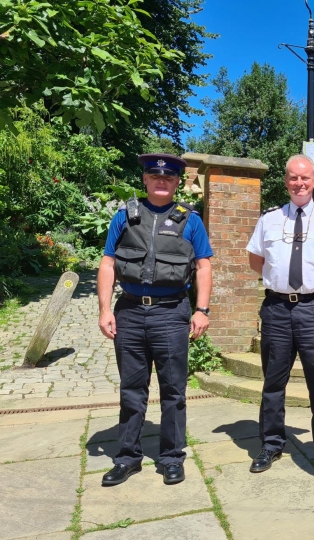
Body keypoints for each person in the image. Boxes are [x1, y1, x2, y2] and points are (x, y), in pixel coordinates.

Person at [97, 153, 213, 486]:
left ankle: (172, 457)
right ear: (145, 180)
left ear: (178, 183)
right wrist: (105, 309)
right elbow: (108, 264)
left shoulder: (190, 220)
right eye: (155, 176)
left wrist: (202, 310)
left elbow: (204, 266)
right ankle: (128, 457)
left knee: (174, 390)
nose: (162, 181)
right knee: (132, 389)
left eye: (169, 178)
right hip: (130, 312)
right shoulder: (125, 216)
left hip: (171, 313)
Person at [245, 154, 314, 476]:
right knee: (273, 383)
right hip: (277, 309)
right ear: (286, 181)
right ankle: (271, 445)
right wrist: (278, 281)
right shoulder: (270, 219)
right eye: (293, 177)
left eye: (305, 178)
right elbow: (255, 258)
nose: (299, 183)